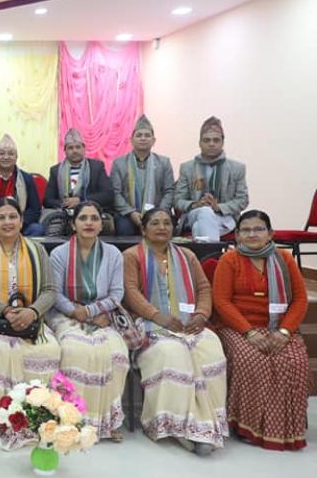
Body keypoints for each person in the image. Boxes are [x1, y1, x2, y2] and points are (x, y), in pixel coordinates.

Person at [122, 208, 227, 455]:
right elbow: (130, 292)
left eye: (167, 223)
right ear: (143, 229)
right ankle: (174, 425)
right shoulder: (131, 256)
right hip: (149, 324)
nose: (162, 227)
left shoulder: (187, 255)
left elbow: (204, 288)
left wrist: (201, 315)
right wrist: (158, 316)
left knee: (210, 348)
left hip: (188, 323)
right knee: (171, 352)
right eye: (155, 223)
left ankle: (207, 424)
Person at [212, 209, 310, 451]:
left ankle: (287, 428)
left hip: (278, 327)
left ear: (270, 233)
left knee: (294, 362)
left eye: (258, 229)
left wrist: (285, 331)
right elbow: (222, 302)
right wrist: (249, 332)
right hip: (238, 327)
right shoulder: (230, 260)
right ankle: (248, 426)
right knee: (251, 360)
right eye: (245, 230)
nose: (252, 234)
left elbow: (300, 299)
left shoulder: (284, 259)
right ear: (237, 235)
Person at [0, 197, 60, 448]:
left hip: (32, 319)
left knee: (50, 349)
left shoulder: (37, 250)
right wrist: (4, 310)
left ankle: (37, 420)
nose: (7, 222)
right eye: (1, 217)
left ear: (21, 220)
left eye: (12, 216)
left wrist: (32, 311)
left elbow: (50, 290)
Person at [47, 201, 129, 441]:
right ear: (73, 224)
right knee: (75, 350)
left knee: (116, 353)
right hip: (64, 314)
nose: (89, 223)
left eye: (94, 218)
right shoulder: (59, 254)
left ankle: (106, 421)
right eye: (83, 218)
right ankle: (71, 419)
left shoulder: (113, 254)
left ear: (102, 225)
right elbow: (54, 293)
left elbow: (117, 293)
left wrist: (91, 310)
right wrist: (76, 312)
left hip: (102, 315)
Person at [174, 116, 249, 241]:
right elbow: (178, 200)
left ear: (222, 142)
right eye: (207, 140)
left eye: (216, 140)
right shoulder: (187, 168)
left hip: (225, 216)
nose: (211, 144)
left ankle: (205, 251)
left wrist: (218, 207)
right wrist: (196, 204)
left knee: (198, 227)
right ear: (200, 143)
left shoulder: (237, 168)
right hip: (194, 214)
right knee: (205, 212)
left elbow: (242, 200)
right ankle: (213, 253)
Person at [110, 115, 175, 236]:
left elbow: (169, 191)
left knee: (163, 227)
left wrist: (159, 213)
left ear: (153, 141)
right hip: (127, 214)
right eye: (139, 135)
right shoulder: (119, 163)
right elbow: (115, 193)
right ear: (131, 140)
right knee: (124, 228)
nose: (143, 138)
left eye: (147, 135)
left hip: (158, 213)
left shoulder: (164, 163)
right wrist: (131, 213)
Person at [42, 129, 113, 236]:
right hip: (64, 213)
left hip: (90, 210)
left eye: (78, 147)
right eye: (70, 148)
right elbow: (47, 200)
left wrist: (81, 200)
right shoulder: (55, 170)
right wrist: (65, 204)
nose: (74, 151)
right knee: (56, 222)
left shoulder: (96, 167)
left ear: (84, 149)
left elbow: (107, 195)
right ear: (65, 151)